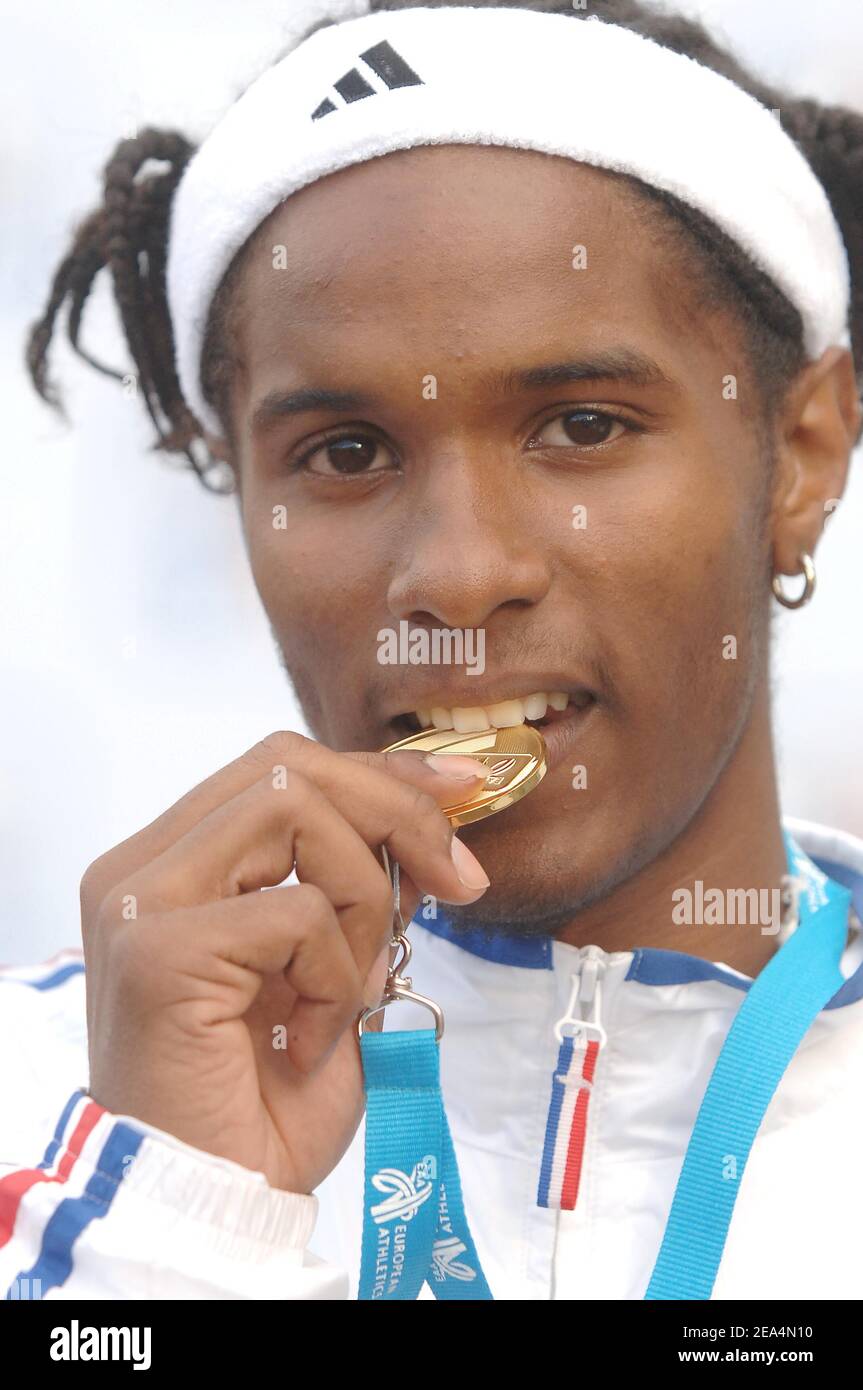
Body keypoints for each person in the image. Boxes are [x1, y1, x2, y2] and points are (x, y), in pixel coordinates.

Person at [3, 0, 863, 1301]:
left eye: (580, 424)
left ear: (800, 455)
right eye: (344, 453)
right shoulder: (44, 1088)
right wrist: (175, 1225)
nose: (458, 571)